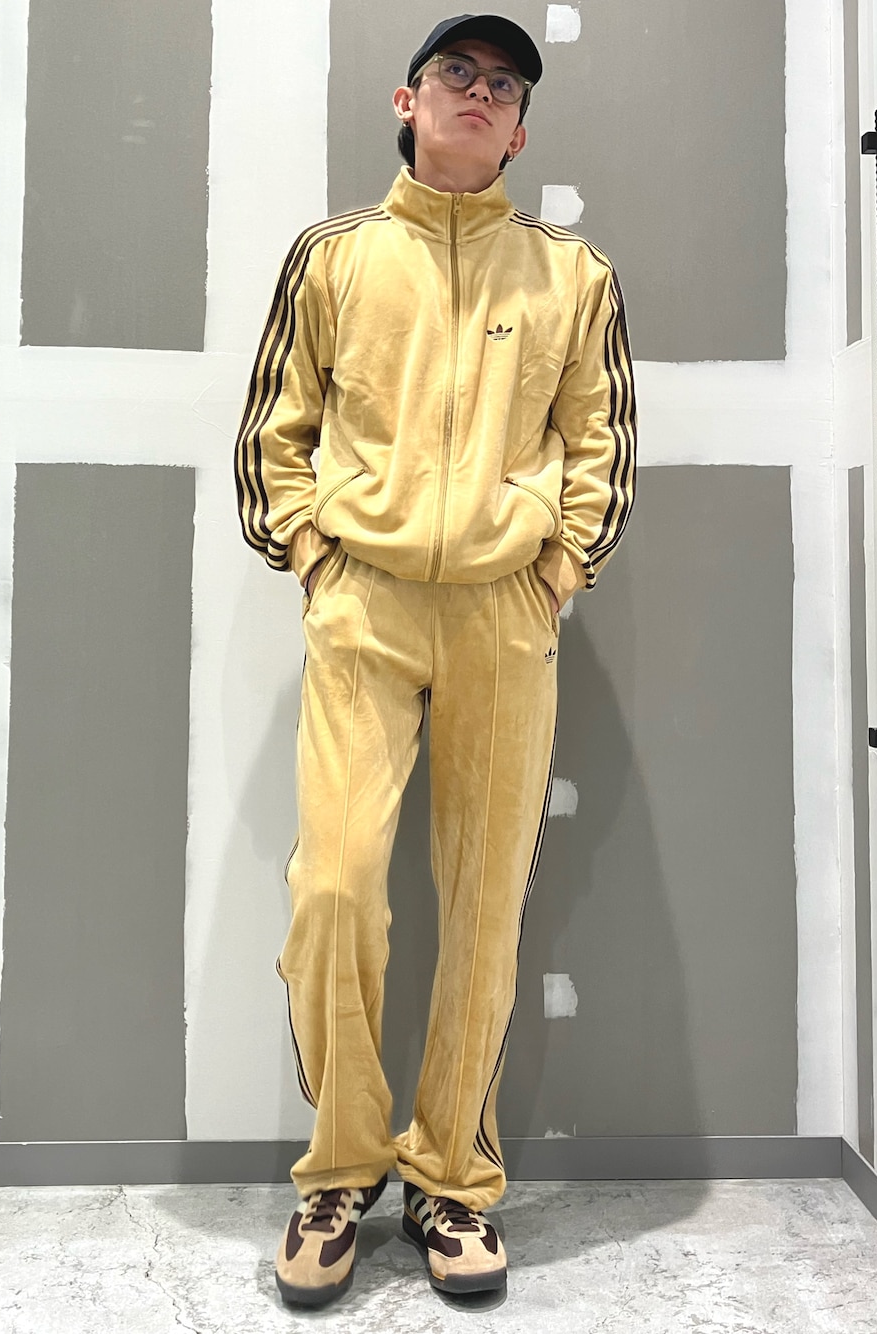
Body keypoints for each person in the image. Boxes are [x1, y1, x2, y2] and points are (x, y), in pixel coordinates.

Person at [234, 12, 637, 1308]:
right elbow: (275, 429)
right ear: (406, 103)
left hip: (505, 620)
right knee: (337, 885)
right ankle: (341, 1168)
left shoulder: (571, 276)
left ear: (518, 133)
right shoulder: (335, 257)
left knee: (484, 906)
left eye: (503, 84)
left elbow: (602, 444)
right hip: (364, 607)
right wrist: (315, 556)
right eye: (455, 72)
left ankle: (453, 1179)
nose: (479, 91)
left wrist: (557, 569)